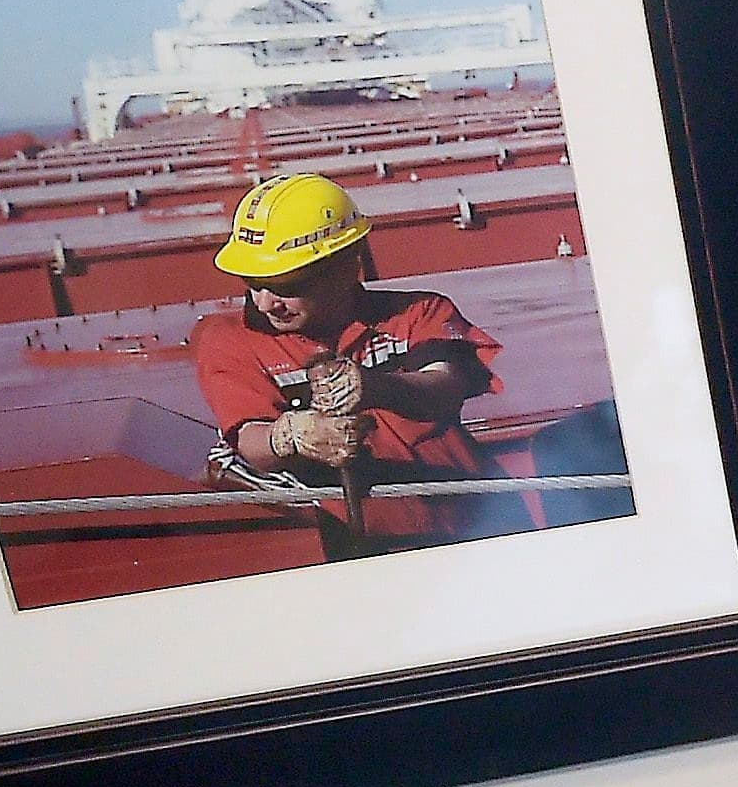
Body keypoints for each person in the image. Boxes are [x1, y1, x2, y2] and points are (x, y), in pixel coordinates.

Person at [192, 171, 526, 558]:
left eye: (287, 285)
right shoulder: (228, 340)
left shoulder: (419, 313)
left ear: (347, 267)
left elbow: (445, 386)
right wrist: (290, 435)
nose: (266, 303)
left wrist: (376, 387)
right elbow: (249, 438)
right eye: (253, 283)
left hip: (476, 526)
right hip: (354, 548)